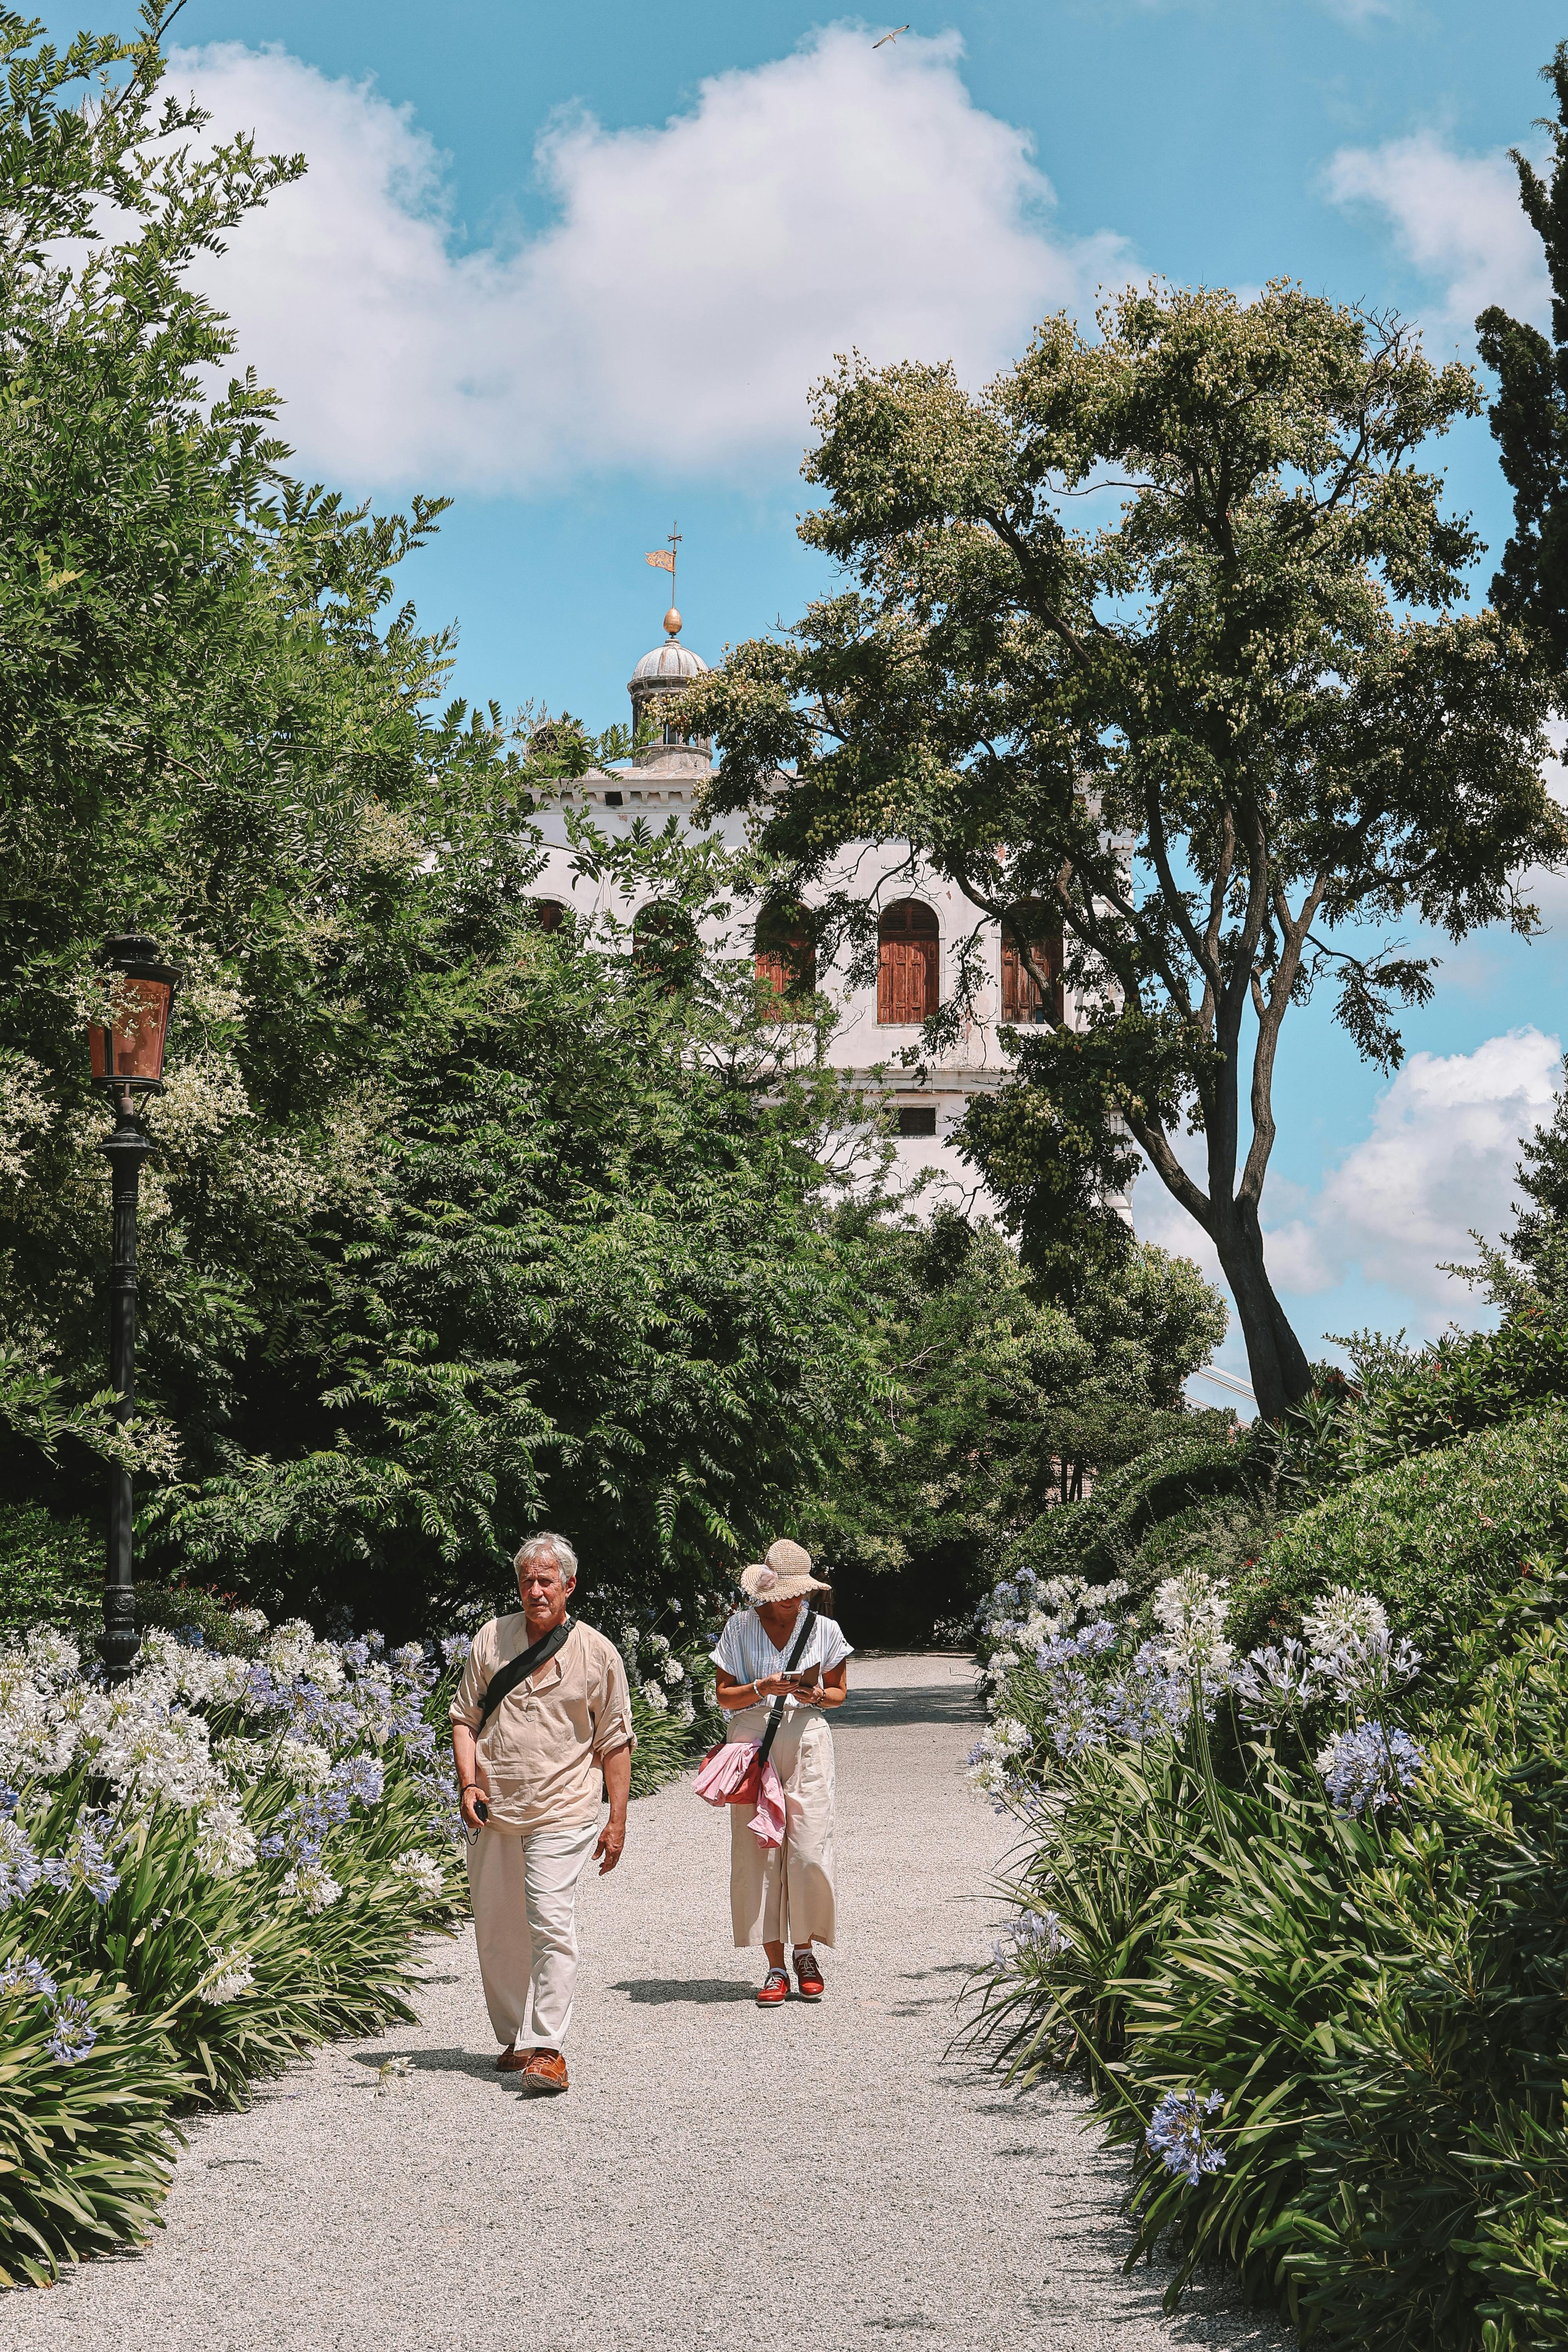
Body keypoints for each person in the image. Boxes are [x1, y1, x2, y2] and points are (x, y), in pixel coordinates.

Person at [450, 1533, 634, 2096]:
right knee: (499, 1929)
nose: (536, 1589)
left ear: (569, 1586)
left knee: (550, 1921)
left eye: (546, 1579)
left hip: (564, 1808)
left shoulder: (597, 1652)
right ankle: (517, 2038)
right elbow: (464, 1717)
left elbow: (615, 1740)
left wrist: (617, 1819)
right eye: (527, 1580)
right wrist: (467, 1785)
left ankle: (550, 2048)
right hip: (495, 1808)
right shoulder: (491, 1638)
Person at [710, 1537, 853, 2007]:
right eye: (785, 1591)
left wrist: (814, 1695)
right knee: (759, 1854)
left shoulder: (825, 1629)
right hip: (753, 1738)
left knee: (809, 1849)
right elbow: (724, 1696)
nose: (795, 1599)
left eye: (800, 1591)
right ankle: (774, 1963)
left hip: (808, 1737)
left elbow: (838, 1694)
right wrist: (759, 1685)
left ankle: (806, 1950)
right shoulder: (738, 1627)